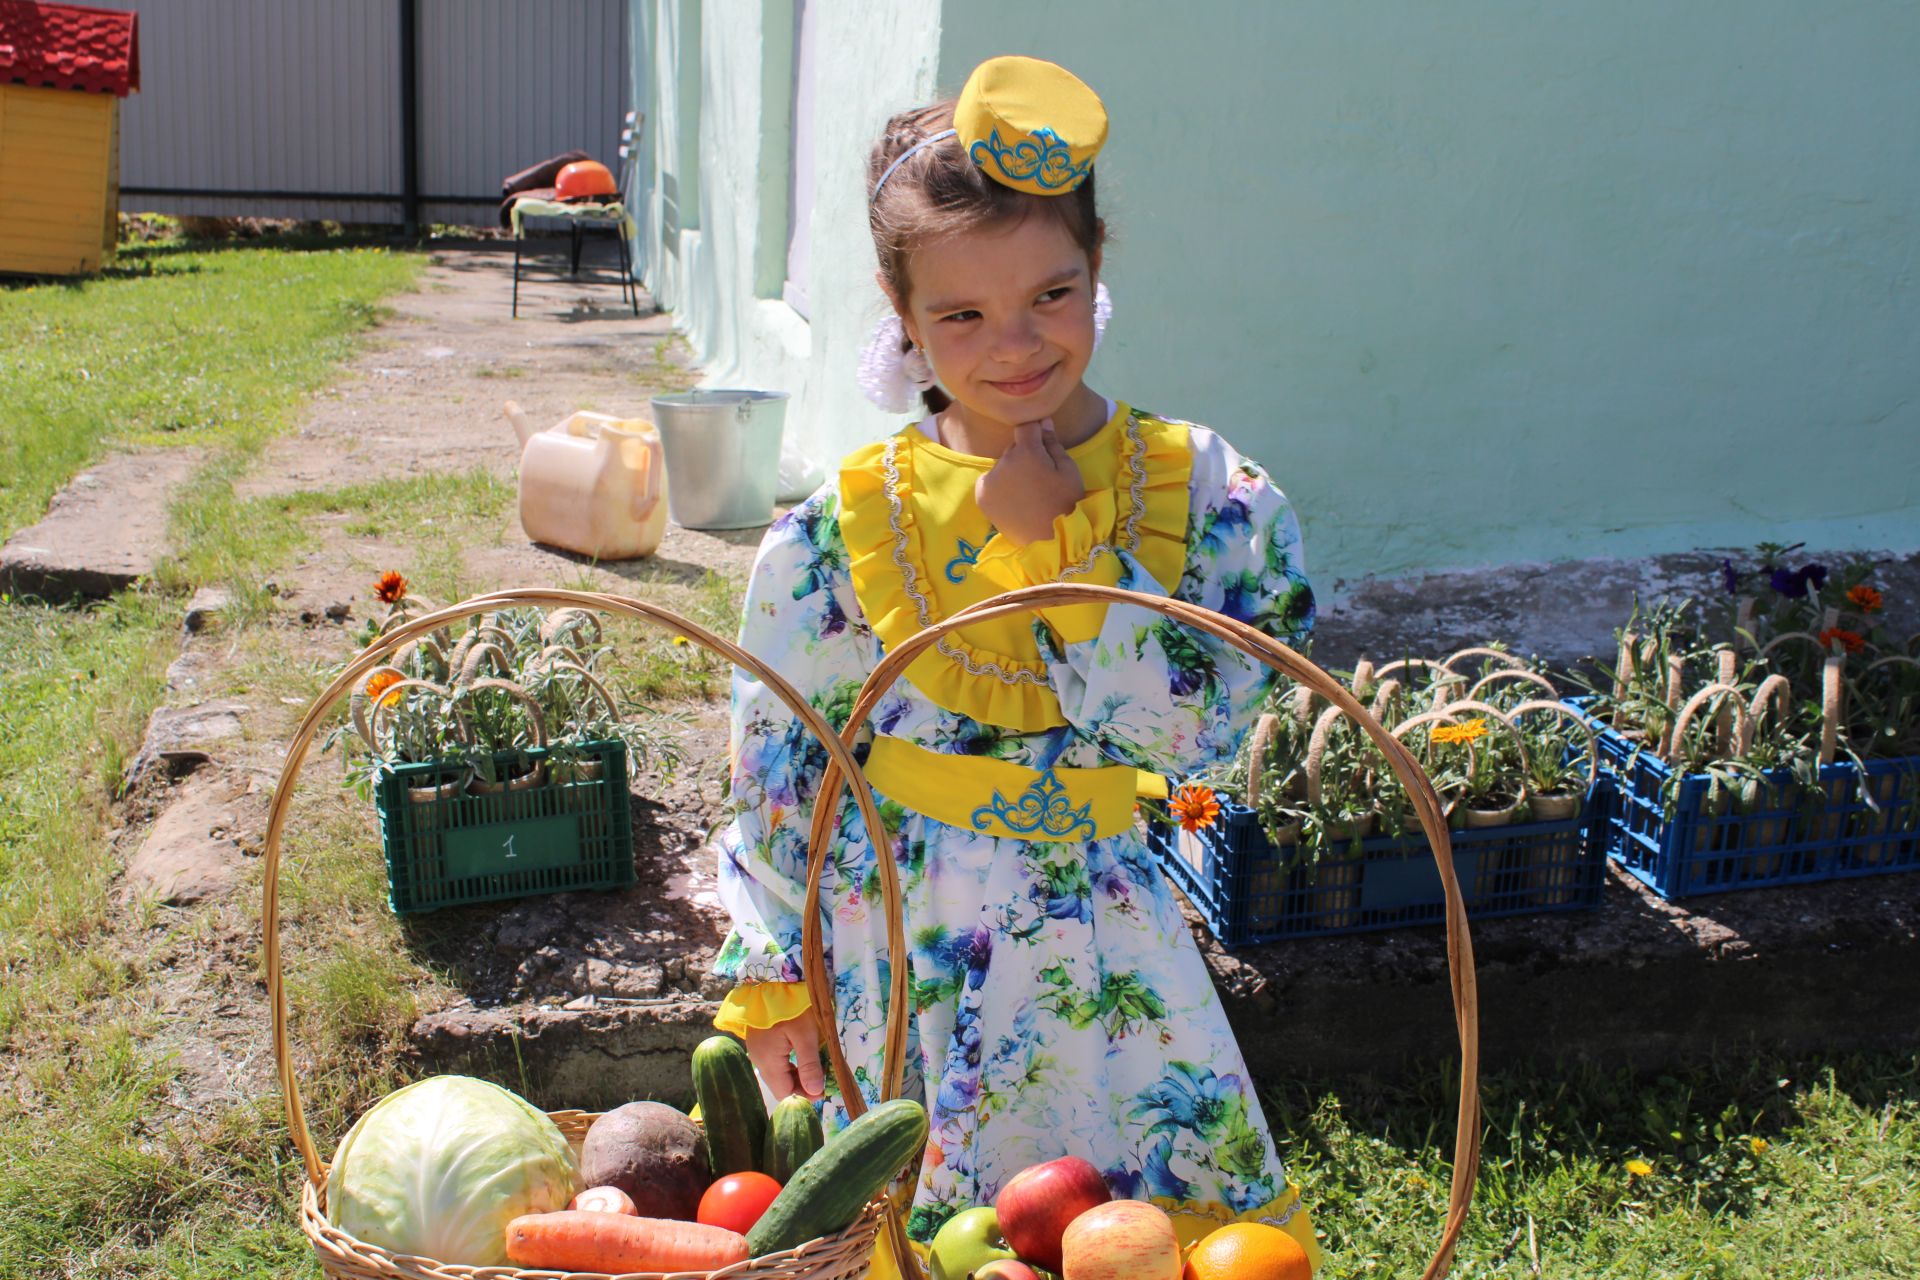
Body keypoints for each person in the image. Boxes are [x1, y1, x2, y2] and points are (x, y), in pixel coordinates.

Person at [709, 55, 1320, 1273]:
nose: (1017, 345)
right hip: (905, 937)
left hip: (1108, 928)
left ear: (1100, 266)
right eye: (963, 316)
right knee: (946, 1233)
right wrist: (771, 963)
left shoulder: (1197, 489)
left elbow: (1196, 734)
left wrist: (1070, 566)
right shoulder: (846, 526)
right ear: (902, 311)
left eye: (1054, 292)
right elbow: (784, 764)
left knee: (1133, 1230)